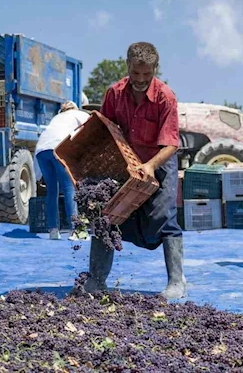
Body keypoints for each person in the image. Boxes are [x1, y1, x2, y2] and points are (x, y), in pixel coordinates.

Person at [83, 42, 187, 300]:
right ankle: (96, 280)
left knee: (162, 217)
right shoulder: (115, 93)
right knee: (105, 215)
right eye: (136, 73)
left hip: (158, 162)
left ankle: (177, 282)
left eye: (146, 74)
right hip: (125, 163)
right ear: (127, 66)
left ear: (155, 69)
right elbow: (105, 128)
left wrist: (150, 166)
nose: (140, 80)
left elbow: (171, 143)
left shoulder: (165, 97)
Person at [34, 101, 91, 240]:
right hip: (58, 148)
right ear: (75, 108)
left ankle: (53, 230)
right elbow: (91, 124)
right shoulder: (78, 114)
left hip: (41, 151)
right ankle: (76, 230)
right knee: (68, 189)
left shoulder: (56, 118)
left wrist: (37, 176)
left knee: (52, 191)